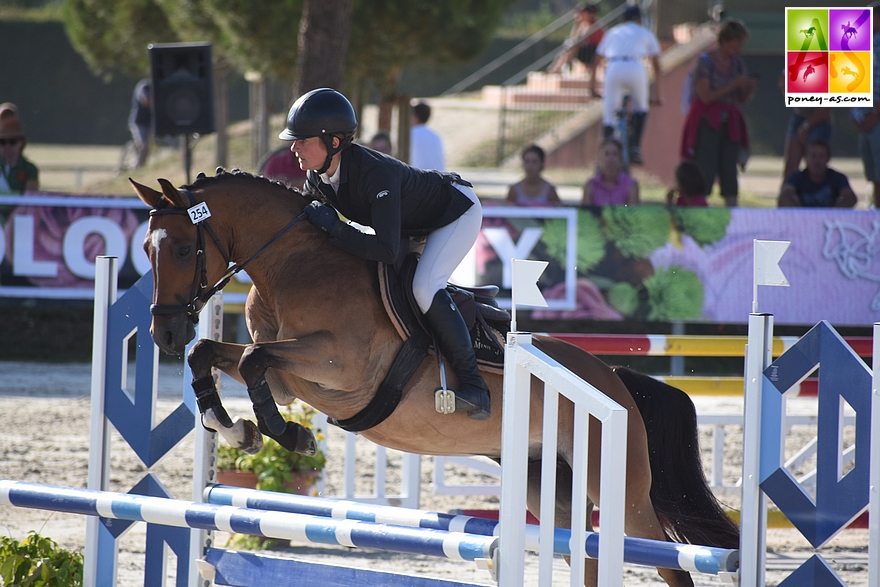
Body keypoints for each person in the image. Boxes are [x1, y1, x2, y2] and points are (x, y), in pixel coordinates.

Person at [280, 88, 490, 421]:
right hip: (413, 224)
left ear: (333, 142)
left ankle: (474, 385)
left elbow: (387, 250)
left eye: (302, 140)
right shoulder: (316, 177)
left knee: (423, 287)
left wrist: (335, 228)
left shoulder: (375, 174)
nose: (293, 147)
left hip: (454, 212)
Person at [680, 19, 756, 207]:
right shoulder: (706, 62)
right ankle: (699, 209)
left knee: (729, 170)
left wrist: (747, 88)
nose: (737, 47)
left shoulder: (737, 64)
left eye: (740, 43)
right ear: (725, 40)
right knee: (704, 169)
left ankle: (732, 212)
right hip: (707, 122)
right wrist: (733, 84)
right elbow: (705, 96)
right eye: (734, 42)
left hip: (729, 124)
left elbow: (741, 99)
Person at [595, 4, 661, 165]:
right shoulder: (645, 32)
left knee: (610, 115)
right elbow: (657, 67)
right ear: (639, 19)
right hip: (635, 67)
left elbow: (595, 60)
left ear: (623, 18)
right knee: (641, 107)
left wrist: (591, 87)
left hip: (614, 66)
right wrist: (656, 95)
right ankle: (634, 148)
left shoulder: (614, 31)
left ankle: (604, 152)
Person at [851, 15, 880, 209]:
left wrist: (875, 113)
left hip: (875, 117)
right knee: (873, 176)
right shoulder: (863, 43)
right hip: (863, 117)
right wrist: (856, 114)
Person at [547, 3, 605, 98]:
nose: (579, 15)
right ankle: (559, 67)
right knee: (569, 48)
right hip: (586, 52)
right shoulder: (583, 26)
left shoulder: (596, 27)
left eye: (583, 13)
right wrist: (576, 26)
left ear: (590, 14)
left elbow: (584, 42)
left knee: (574, 48)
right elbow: (573, 39)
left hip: (594, 54)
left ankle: (561, 67)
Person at [778, 140, 856, 208]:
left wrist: (833, 213)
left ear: (828, 158)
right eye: (813, 156)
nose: (817, 161)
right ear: (806, 158)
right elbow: (785, 196)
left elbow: (850, 198)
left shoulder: (838, 178)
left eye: (821, 156)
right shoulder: (796, 178)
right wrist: (801, 213)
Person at [582, 138, 639, 206]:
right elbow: (585, 214)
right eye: (606, 154)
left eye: (615, 154)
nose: (610, 158)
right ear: (600, 158)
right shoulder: (590, 185)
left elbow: (632, 213)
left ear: (621, 158)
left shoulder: (631, 185)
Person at [782, 106, 832, 182]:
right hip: (799, 115)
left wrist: (806, 125)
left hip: (821, 117)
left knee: (816, 166)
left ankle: (816, 193)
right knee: (790, 169)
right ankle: (788, 191)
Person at [0, 111, 38, 194]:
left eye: (12, 141)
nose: (7, 146)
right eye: (2, 142)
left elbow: (30, 198)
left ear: (21, 143)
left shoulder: (29, 169)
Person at [409, 101, 445, 171]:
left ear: (416, 117)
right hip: (439, 178)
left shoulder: (410, 135)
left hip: (418, 177)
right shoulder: (436, 136)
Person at [129, 79, 152, 168]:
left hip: (149, 121)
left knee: (148, 147)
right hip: (139, 121)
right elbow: (145, 100)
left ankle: (142, 164)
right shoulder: (144, 86)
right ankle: (139, 166)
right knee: (143, 143)